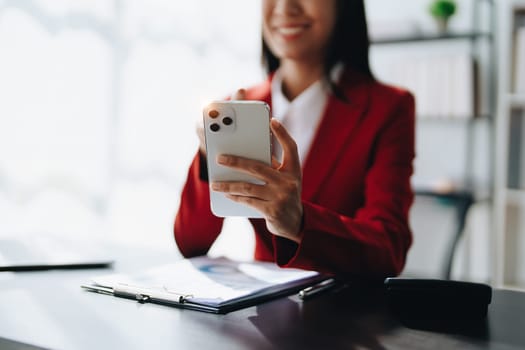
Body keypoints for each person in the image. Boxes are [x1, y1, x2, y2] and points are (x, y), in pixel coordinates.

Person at [174, 0, 415, 279]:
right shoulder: (238, 109)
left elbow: (388, 250)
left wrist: (298, 222)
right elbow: (191, 244)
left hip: (343, 312)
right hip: (262, 310)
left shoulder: (388, 107)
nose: (285, 8)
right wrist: (208, 159)